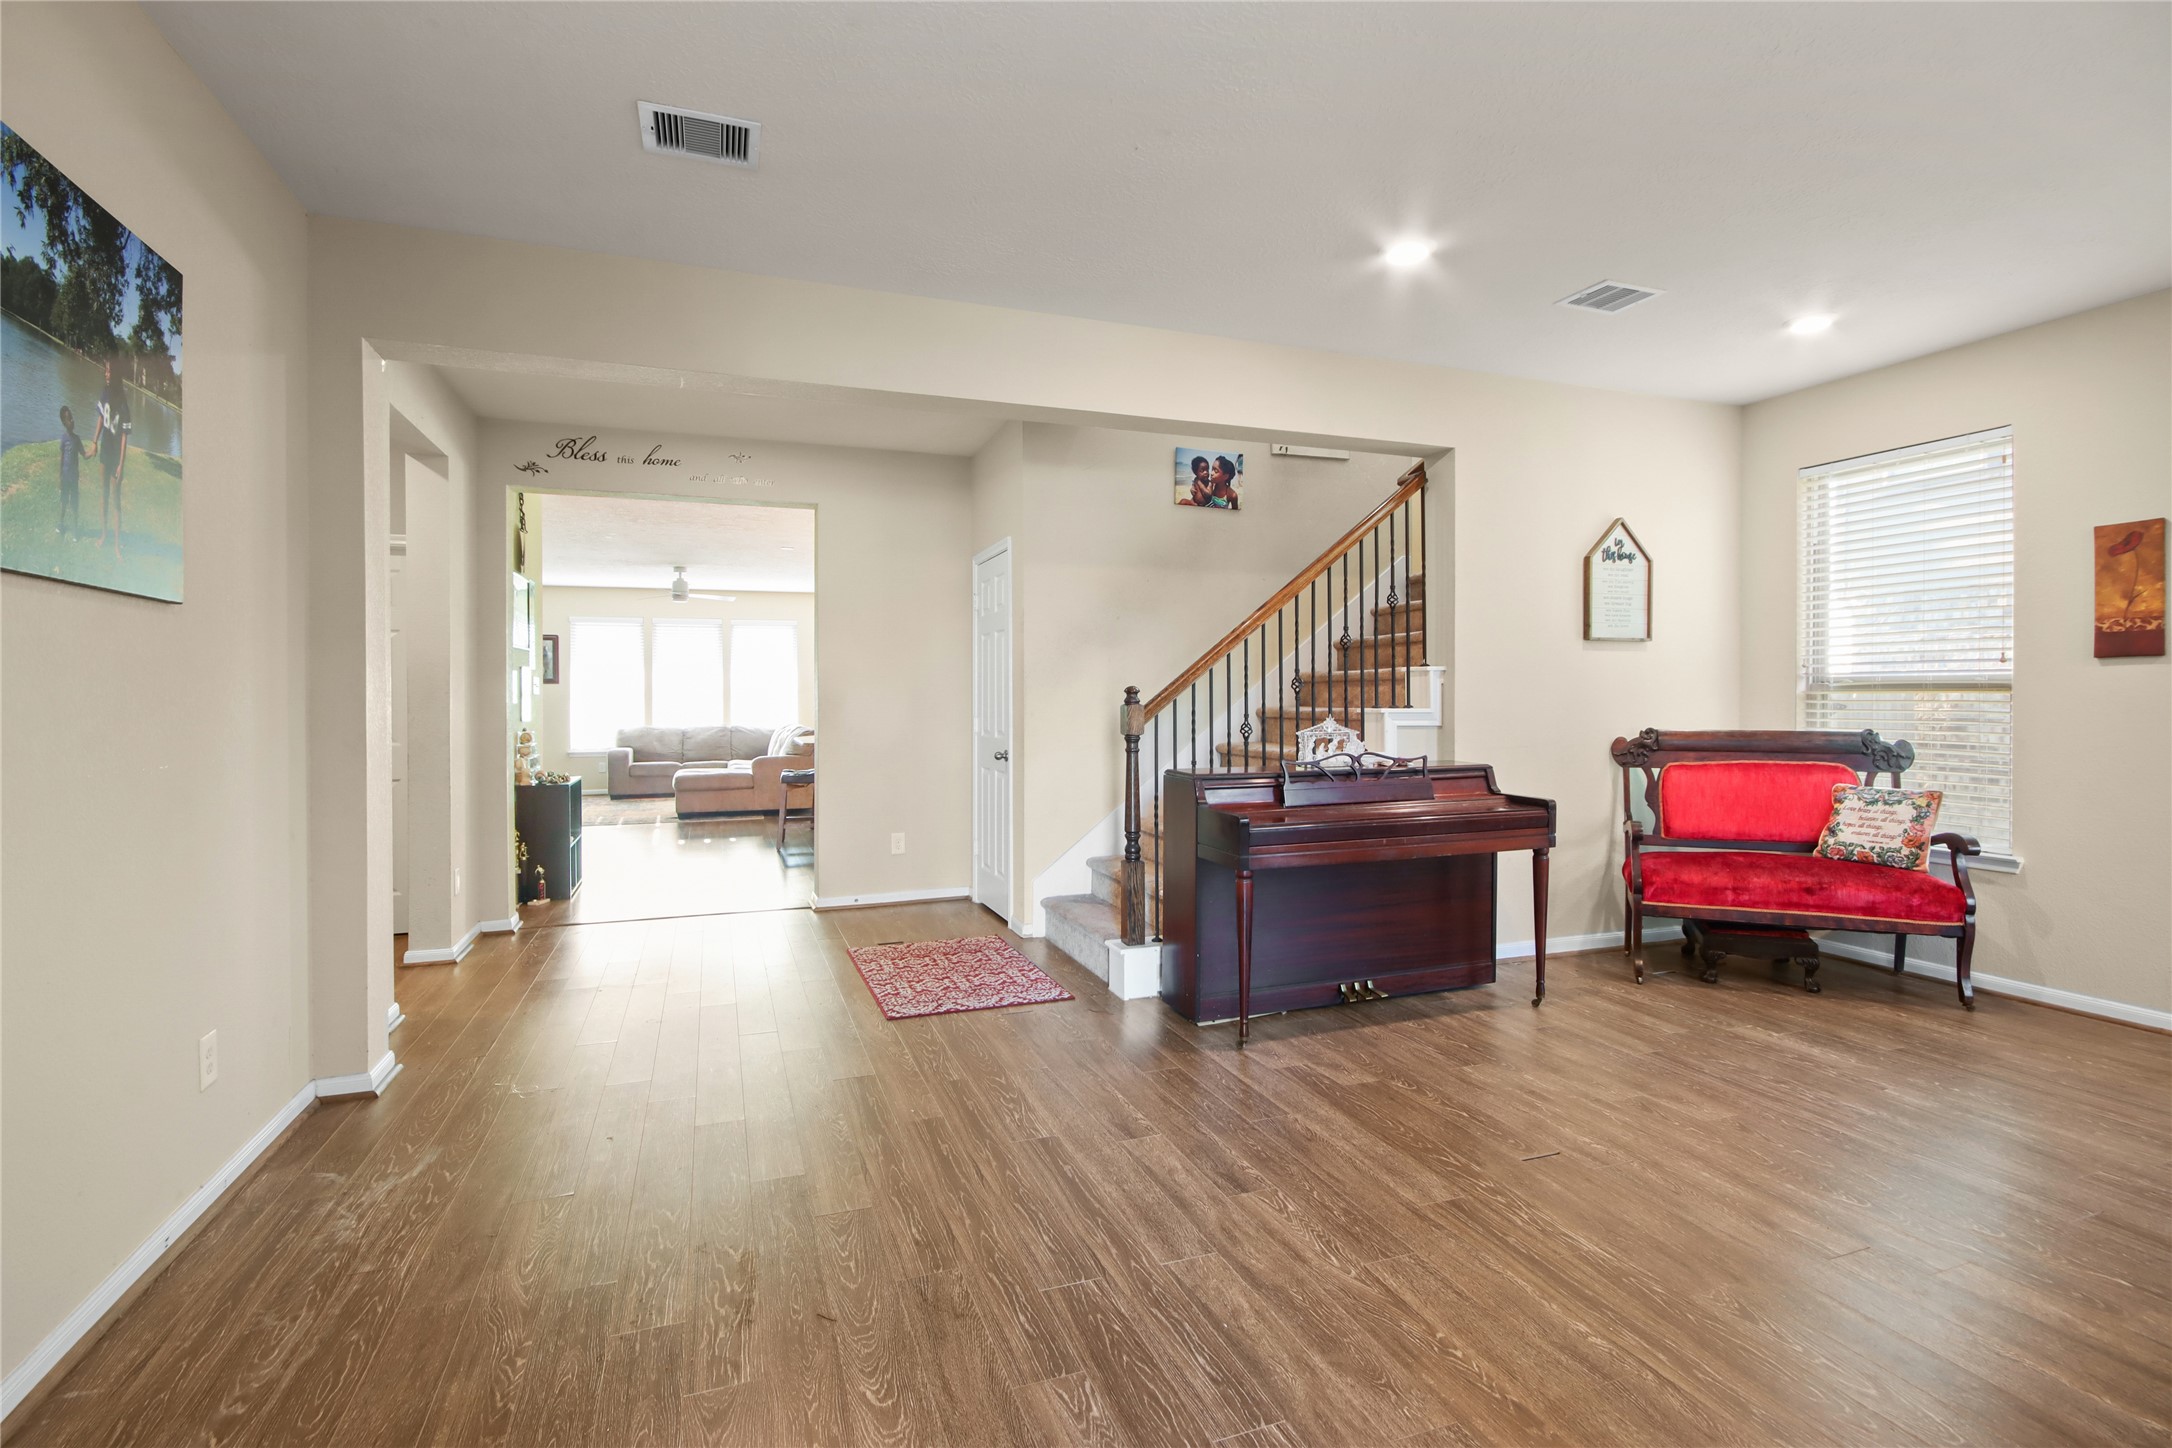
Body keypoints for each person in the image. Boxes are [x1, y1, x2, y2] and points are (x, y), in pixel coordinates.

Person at [90, 355, 131, 557]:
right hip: (105, 450)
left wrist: (121, 465)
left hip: (116, 456)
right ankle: (104, 534)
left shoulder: (123, 401)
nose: (106, 374)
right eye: (105, 370)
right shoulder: (104, 393)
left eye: (110, 371)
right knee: (103, 494)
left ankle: (116, 544)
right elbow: (100, 417)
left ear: (116, 375)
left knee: (115, 499)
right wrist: (94, 441)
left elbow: (124, 436)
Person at [55, 405, 85, 539]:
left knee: (74, 503)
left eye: (72, 418)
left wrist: (94, 449)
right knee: (64, 502)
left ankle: (75, 530)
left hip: (74, 478)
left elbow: (84, 454)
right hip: (65, 477)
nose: (72, 421)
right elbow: (61, 460)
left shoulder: (77, 439)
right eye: (68, 419)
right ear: (64, 423)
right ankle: (60, 524)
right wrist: (59, 477)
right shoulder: (64, 438)